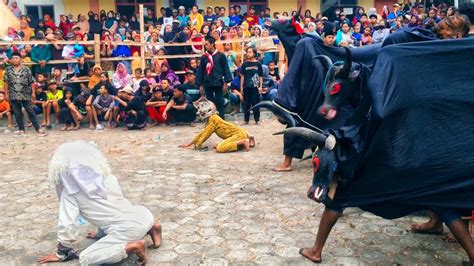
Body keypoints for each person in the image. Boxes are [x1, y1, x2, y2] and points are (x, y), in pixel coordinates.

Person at [37, 141, 162, 265]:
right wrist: (100, 234)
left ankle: (134, 246)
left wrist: (62, 253)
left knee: (86, 258)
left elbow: (67, 223)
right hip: (143, 215)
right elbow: (107, 209)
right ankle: (153, 227)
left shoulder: (71, 193)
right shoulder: (107, 177)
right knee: (121, 212)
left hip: (128, 229)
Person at [179, 99, 255, 152]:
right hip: (241, 133)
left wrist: (197, 146)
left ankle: (244, 141)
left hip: (239, 135)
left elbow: (205, 135)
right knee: (223, 144)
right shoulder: (213, 118)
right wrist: (189, 144)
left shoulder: (213, 119)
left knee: (220, 148)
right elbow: (202, 133)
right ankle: (249, 138)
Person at [3, 52, 46, 135]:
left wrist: (33, 93)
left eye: (17, 58)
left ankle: (38, 128)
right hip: (13, 94)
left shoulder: (26, 69)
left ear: (21, 60)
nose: (15, 60)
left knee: (30, 111)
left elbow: (31, 81)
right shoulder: (8, 69)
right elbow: (6, 82)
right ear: (11, 60)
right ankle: (21, 129)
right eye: (13, 58)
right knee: (17, 112)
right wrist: (6, 94)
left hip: (25, 93)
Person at [196, 37, 232, 119]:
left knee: (220, 100)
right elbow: (201, 70)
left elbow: (225, 68)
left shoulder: (221, 55)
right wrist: (200, 84)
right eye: (205, 44)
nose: (206, 46)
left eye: (207, 44)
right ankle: (212, 118)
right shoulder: (204, 57)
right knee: (210, 101)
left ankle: (221, 118)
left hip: (218, 81)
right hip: (207, 82)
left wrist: (226, 82)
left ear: (212, 44)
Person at [240, 47, 263, 125]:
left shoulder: (258, 64)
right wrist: (241, 87)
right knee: (246, 104)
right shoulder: (244, 64)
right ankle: (246, 120)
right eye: (247, 52)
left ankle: (257, 120)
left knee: (256, 103)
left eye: (250, 52)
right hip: (246, 87)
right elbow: (242, 76)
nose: (248, 53)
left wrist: (260, 86)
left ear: (254, 53)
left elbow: (260, 76)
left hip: (255, 87)